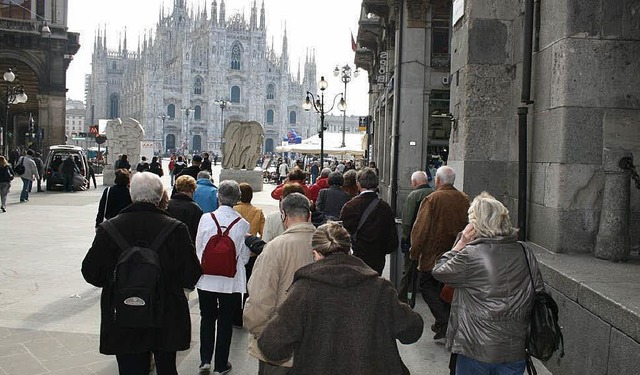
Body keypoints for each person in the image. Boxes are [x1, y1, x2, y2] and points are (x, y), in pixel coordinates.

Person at [258, 222, 424, 374]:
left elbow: (271, 346)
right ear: (350, 250)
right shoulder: (380, 288)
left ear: (315, 254)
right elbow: (412, 330)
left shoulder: (303, 291)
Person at [81, 172, 203, 375]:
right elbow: (192, 274)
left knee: (130, 369)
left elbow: (91, 272)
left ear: (131, 194)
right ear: (160, 196)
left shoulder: (110, 228)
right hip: (166, 314)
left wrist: (119, 282)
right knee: (166, 368)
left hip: (125, 313)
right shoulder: (176, 229)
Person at [432, 192, 544, 374]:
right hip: (514, 348)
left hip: (476, 349)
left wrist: (460, 245)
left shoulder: (471, 254)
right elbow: (538, 290)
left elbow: (439, 271)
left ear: (477, 224)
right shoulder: (524, 251)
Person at [244, 193, 316, 374]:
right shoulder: (325, 245)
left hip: (279, 343)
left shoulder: (275, 247)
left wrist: (261, 333)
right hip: (315, 344)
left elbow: (260, 298)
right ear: (309, 215)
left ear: (284, 215)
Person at [195, 180, 251, 374]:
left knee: (207, 318)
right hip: (230, 281)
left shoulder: (206, 218)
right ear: (237, 199)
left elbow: (199, 249)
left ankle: (204, 360)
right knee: (226, 322)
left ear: (218, 197)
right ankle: (221, 365)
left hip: (206, 279)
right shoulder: (243, 224)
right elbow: (243, 258)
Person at [410, 166, 469, 340]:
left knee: (426, 286)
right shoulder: (464, 199)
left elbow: (420, 229)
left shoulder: (432, 199)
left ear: (437, 180)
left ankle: (444, 320)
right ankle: (442, 322)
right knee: (444, 289)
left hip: (433, 255)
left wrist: (414, 252)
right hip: (457, 253)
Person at [340, 168, 398, 276]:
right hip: (378, 258)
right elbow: (392, 239)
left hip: (357, 257)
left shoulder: (350, 207)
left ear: (358, 184)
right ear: (376, 184)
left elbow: (343, 235)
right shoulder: (385, 208)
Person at [398, 171, 434, 303]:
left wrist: (405, 238)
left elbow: (407, 222)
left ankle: (403, 298)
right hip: (432, 239)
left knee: (408, 270)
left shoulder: (414, 196)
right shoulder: (435, 194)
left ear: (414, 182)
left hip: (415, 239)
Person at [233, 182, 265, 327]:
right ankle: (244, 315)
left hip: (234, 254)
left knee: (234, 285)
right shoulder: (258, 211)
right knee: (248, 287)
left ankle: (234, 315)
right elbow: (263, 234)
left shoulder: (232, 209)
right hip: (251, 254)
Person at [167, 175, 203, 244]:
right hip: (187, 244)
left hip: (169, 243)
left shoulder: (168, 204)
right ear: (192, 189)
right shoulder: (195, 208)